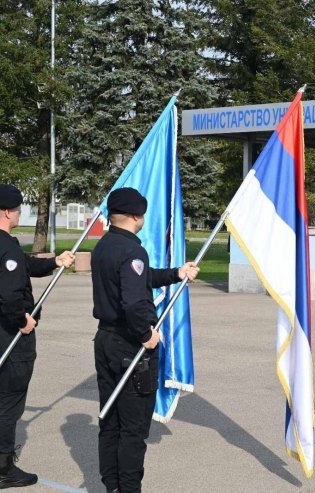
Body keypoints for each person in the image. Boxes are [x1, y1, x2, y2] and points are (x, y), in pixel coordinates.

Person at [91, 188, 199, 493]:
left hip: (106, 339)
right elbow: (135, 302)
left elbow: (142, 278)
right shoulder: (132, 250)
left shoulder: (105, 246)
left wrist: (177, 273)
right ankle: (128, 488)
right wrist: (146, 336)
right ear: (137, 216)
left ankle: (112, 485)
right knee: (133, 428)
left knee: (110, 420)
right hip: (130, 345)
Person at [0, 184, 74, 488]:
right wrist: (22, 321)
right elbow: (9, 292)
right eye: (17, 208)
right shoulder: (5, 246)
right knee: (9, 401)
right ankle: (3, 467)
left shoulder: (9, 245)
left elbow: (25, 264)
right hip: (10, 337)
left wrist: (54, 262)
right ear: (7, 211)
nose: (19, 213)